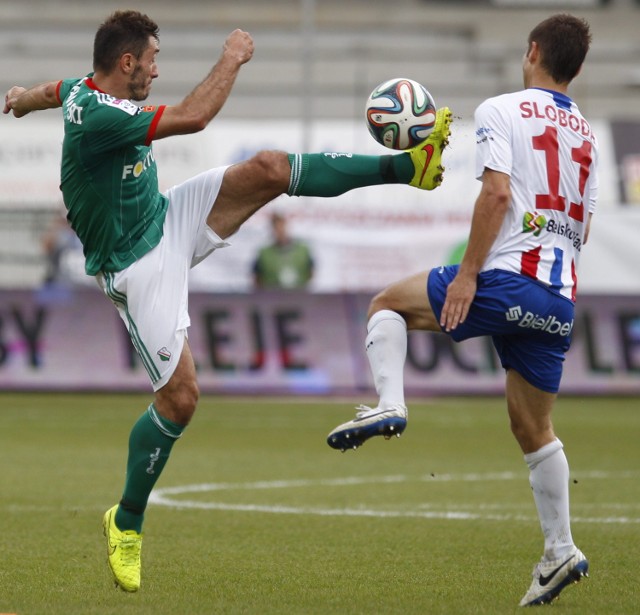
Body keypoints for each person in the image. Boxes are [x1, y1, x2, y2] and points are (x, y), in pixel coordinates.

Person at [3, 10, 452, 593]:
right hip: (134, 265)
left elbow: (52, 90)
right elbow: (194, 117)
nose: (158, 72)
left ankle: (407, 167)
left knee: (267, 168)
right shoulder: (99, 117)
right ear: (127, 63)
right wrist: (232, 56)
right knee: (181, 398)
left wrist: (19, 97)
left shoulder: (81, 92)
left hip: (164, 217)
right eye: (154, 61)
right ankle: (127, 521)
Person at [327, 13, 595, 608]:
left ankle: (391, 405)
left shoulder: (503, 108)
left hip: (508, 279)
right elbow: (584, 223)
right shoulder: (587, 134)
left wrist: (469, 275)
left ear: (532, 51)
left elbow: (497, 192)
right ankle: (559, 552)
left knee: (385, 305)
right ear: (576, 67)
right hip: (558, 295)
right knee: (534, 429)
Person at [252, 211, 314, 290]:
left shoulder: (303, 250)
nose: (280, 231)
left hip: (299, 297)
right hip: (272, 298)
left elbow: (311, 273)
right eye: (276, 228)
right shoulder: (264, 253)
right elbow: (257, 278)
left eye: (282, 227)